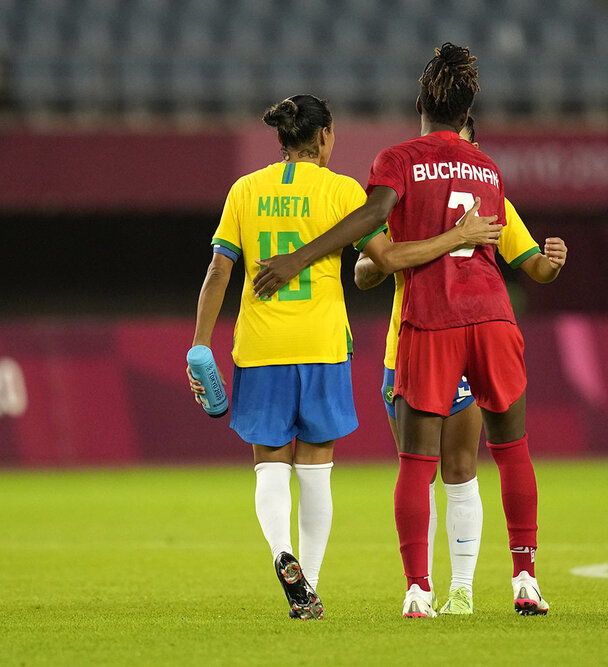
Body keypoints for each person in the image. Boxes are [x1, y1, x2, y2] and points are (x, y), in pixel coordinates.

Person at [251, 43, 552, 618]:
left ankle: (419, 590)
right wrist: (546, 259)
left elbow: (370, 228)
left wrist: (296, 259)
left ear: (419, 102)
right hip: (491, 314)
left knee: (419, 464)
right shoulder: (487, 168)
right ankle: (526, 579)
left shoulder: (399, 159)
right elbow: (522, 259)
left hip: (430, 320)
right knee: (512, 450)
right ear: (468, 114)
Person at [186, 93, 499, 620]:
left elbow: (219, 272)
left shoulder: (245, 190)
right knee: (315, 471)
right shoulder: (342, 191)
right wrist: (459, 236)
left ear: (282, 140)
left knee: (269, 468)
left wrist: (199, 345)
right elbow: (388, 259)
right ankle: (308, 584)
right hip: (323, 345)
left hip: (261, 346)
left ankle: (282, 556)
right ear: (325, 135)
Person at [354, 115, 568, 615]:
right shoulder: (471, 181)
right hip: (423, 338)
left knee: (451, 467)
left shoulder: (418, 178)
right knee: (444, 468)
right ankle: (481, 583)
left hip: (426, 335)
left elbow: (533, 263)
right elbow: (367, 267)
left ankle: (454, 590)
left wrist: (551, 262)